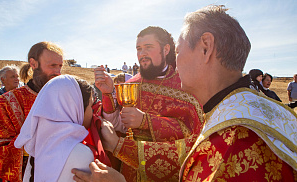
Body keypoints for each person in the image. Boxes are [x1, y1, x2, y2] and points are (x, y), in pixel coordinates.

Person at [75, 4, 297, 182]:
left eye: (179, 51)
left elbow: (188, 141)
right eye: (138, 49)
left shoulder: (234, 145)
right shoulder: (265, 110)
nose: (177, 63)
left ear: (205, 47)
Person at [94, 26, 203, 181]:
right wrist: (107, 93)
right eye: (138, 49)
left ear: (166, 49)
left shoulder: (185, 83)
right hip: (130, 169)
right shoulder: (132, 83)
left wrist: (147, 121)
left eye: (148, 47)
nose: (142, 54)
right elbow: (118, 126)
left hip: (168, 172)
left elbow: (194, 133)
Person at [0, 41, 64, 182]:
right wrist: (33, 144)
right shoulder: (6, 102)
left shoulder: (64, 98)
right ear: (33, 64)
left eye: (60, 66)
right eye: (52, 66)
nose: (58, 73)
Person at [15, 75, 110, 181]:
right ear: (76, 108)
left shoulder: (37, 146)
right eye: (91, 106)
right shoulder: (81, 154)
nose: (92, 113)